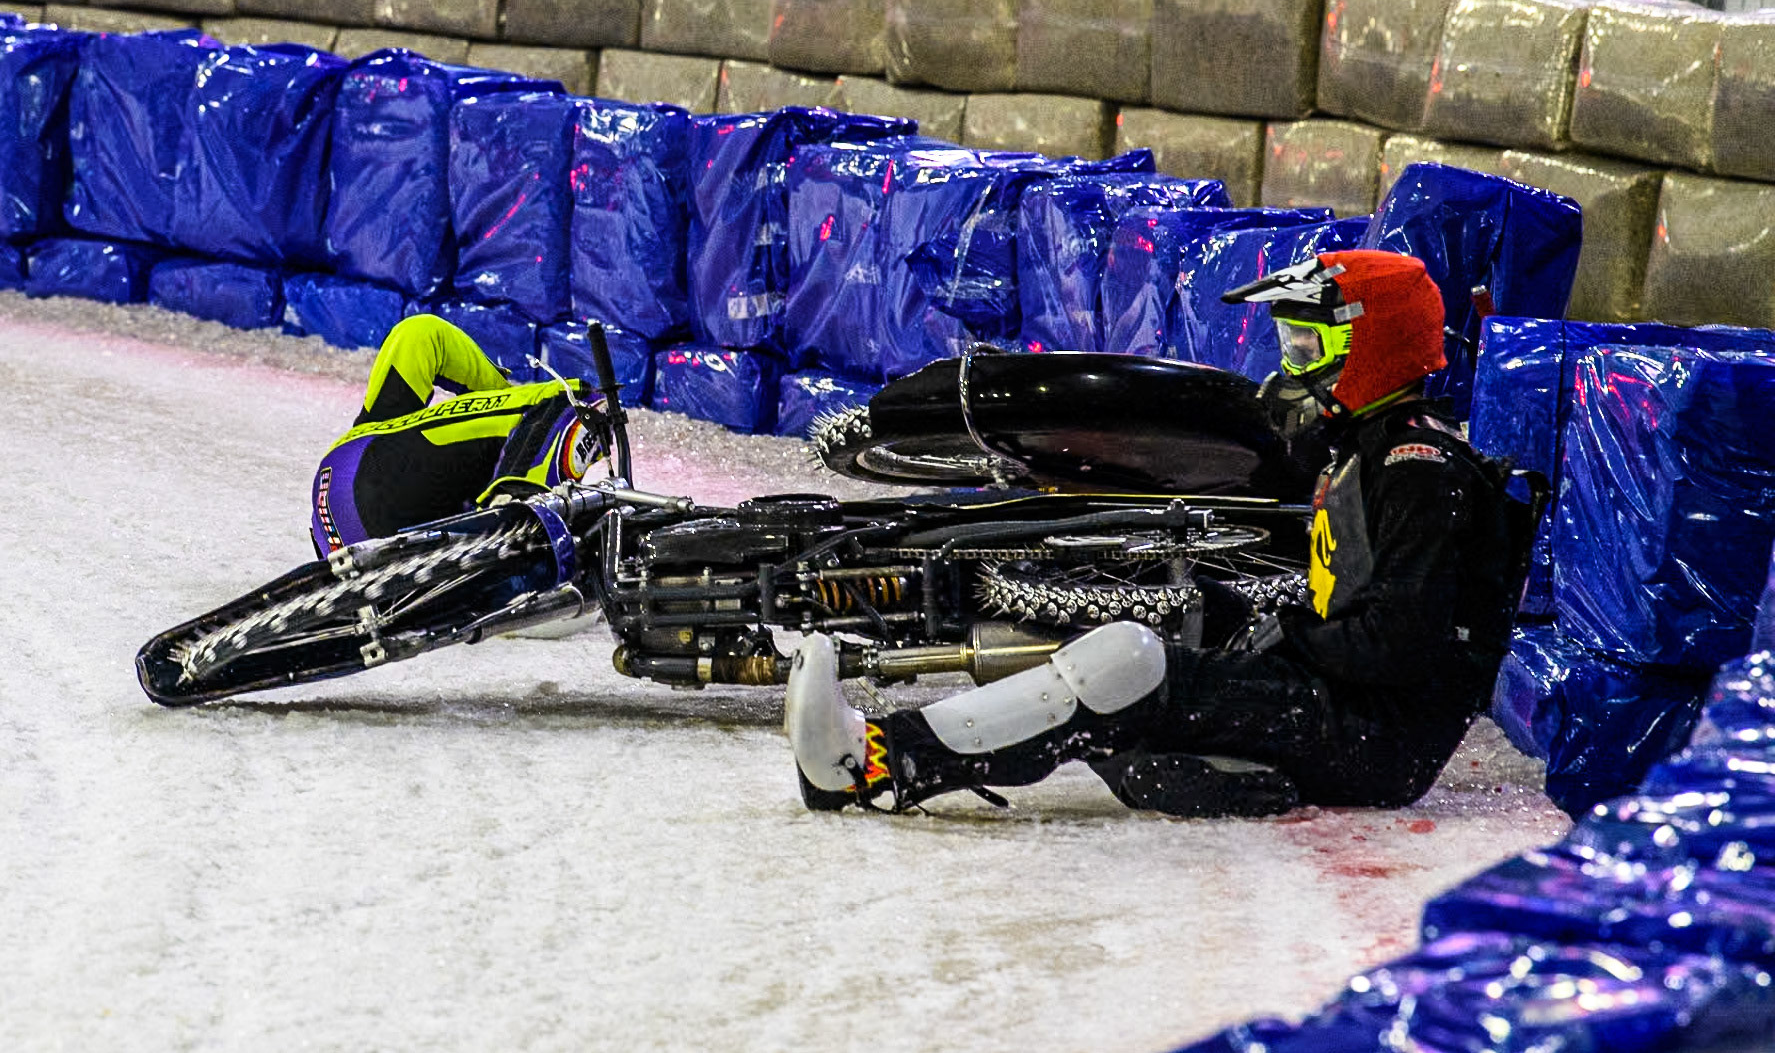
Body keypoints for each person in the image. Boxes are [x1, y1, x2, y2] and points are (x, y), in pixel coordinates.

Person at [787, 249, 1535, 817]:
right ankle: (1158, 757)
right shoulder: (1373, 449)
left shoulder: (1418, 468)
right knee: (1140, 671)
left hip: (1374, 740)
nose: (1288, 369)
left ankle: (872, 760)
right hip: (1351, 710)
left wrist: (1284, 632)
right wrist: (1252, 619)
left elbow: (1396, 646)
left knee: (1126, 666)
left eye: (1307, 350)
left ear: (1368, 349)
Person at [310, 313, 608, 557]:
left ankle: (515, 506)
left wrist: (495, 394)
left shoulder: (468, 435)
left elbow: (422, 332)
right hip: (383, 487)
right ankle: (521, 514)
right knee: (581, 401)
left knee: (419, 334)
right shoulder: (521, 418)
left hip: (335, 479)